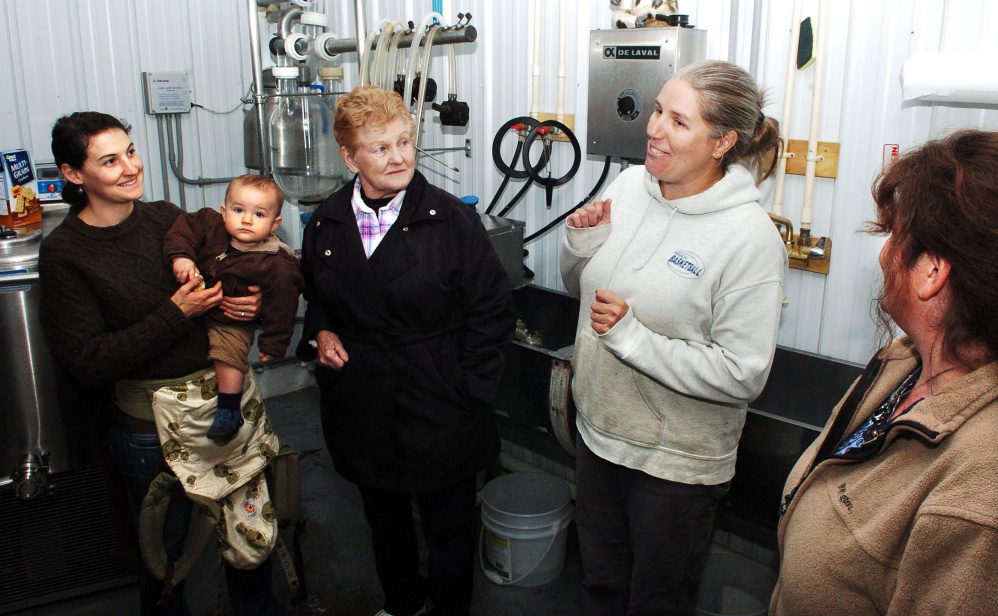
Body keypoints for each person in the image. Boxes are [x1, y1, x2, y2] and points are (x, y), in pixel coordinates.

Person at [560, 59, 788, 615]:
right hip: (599, 435)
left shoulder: (749, 240)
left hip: (674, 468)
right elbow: (578, 290)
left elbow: (744, 374)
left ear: (722, 142)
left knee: (655, 602)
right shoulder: (629, 185)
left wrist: (634, 338)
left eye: (678, 121)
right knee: (600, 585)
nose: (653, 128)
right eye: (657, 110)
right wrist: (580, 247)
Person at [39, 111, 283, 616]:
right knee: (168, 559)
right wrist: (177, 312)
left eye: (130, 151)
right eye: (109, 160)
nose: (131, 167)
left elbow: (230, 276)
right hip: (150, 429)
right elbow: (88, 361)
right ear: (73, 175)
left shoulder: (165, 217)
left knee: (250, 542)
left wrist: (247, 305)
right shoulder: (66, 253)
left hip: (225, 404)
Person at [296, 85, 516, 616]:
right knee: (384, 519)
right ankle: (400, 602)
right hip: (363, 402)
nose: (398, 158)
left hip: (440, 401)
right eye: (380, 148)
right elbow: (319, 296)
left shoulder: (450, 220)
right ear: (350, 157)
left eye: (405, 142)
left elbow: (493, 312)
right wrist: (320, 335)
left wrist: (468, 392)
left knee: (449, 530)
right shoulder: (326, 222)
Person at [770, 130, 998, 615]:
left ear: (932, 271)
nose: (885, 253)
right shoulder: (905, 364)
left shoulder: (981, 494)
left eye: (896, 235)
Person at [164, 174, 305, 441]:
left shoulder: (276, 264)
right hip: (195, 306)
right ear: (224, 211)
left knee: (228, 351)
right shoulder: (208, 224)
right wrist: (181, 257)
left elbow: (282, 306)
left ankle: (228, 409)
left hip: (228, 319)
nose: (247, 220)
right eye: (238, 210)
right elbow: (182, 229)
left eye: (259, 214)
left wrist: (274, 344)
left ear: (275, 223)